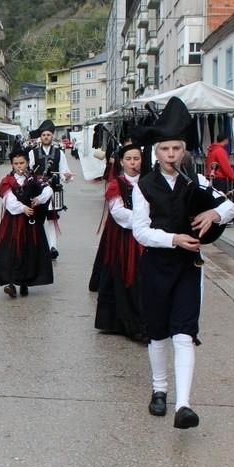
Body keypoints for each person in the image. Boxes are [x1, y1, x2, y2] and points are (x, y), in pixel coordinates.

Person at [130, 96, 234, 429]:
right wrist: (173, 238)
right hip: (157, 265)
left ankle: (183, 405)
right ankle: (159, 390)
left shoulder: (198, 181)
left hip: (188, 268)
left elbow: (231, 208)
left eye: (177, 149)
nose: (172, 155)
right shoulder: (143, 186)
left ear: (184, 150)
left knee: (185, 334)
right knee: (159, 333)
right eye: (165, 149)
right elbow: (140, 232)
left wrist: (214, 212)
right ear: (157, 152)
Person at [94, 144, 147, 340]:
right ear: (122, 162)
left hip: (145, 236)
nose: (133, 162)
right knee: (122, 272)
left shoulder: (148, 182)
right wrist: (142, 221)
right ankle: (120, 322)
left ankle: (142, 321)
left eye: (136, 158)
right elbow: (117, 211)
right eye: (129, 159)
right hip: (124, 235)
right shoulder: (117, 183)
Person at [0, 147, 54, 298]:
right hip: (13, 221)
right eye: (16, 163)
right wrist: (22, 207)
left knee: (29, 251)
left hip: (31, 223)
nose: (19, 166)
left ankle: (25, 282)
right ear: (12, 164)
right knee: (11, 251)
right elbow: (8, 200)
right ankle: (11, 282)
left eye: (22, 163)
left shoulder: (35, 179)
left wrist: (39, 199)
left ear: (27, 163)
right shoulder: (7, 181)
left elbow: (48, 190)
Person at [27, 120, 72, 259]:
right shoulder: (33, 153)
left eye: (48, 135)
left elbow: (65, 171)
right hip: (38, 191)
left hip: (54, 190)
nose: (46, 137)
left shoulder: (59, 153)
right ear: (41, 137)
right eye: (44, 135)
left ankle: (53, 247)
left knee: (52, 219)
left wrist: (67, 176)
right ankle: (40, 247)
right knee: (39, 219)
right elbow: (29, 171)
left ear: (52, 136)